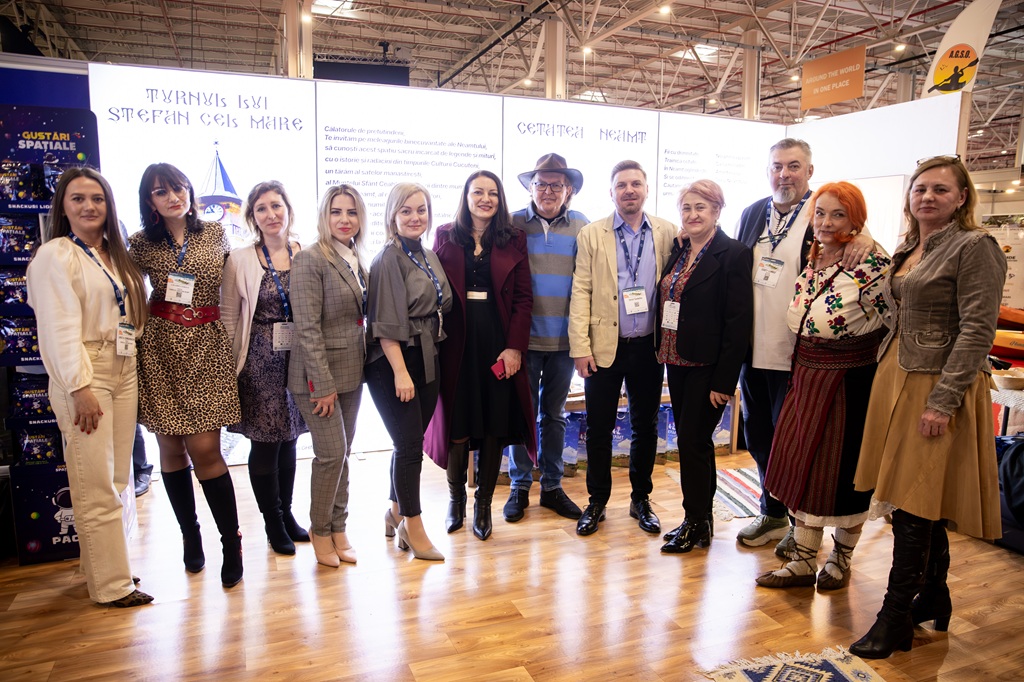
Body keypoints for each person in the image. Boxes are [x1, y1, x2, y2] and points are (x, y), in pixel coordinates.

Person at [850, 156, 1006, 659]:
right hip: (897, 374)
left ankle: (894, 617)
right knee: (915, 495)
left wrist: (943, 401)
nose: (928, 197)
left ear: (961, 198)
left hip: (937, 383)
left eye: (940, 189)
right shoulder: (910, 246)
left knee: (915, 500)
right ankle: (934, 594)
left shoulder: (975, 246)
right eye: (920, 189)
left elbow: (977, 330)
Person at [735, 139, 873, 556]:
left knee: (795, 445)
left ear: (809, 172)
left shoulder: (822, 213)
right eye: (777, 166)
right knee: (759, 438)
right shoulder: (752, 213)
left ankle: (801, 528)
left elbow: (858, 244)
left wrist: (864, 239)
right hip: (752, 351)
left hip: (799, 356)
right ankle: (772, 512)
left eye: (794, 166)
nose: (784, 174)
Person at [754, 182, 890, 588]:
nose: (827, 222)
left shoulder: (871, 262)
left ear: (856, 220)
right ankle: (803, 559)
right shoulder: (815, 255)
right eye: (820, 213)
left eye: (839, 215)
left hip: (848, 383)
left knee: (842, 474)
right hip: (806, 376)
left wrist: (866, 240)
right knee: (802, 469)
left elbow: (894, 322)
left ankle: (841, 558)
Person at [27, 167, 152, 607]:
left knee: (115, 478)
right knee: (94, 482)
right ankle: (112, 586)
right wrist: (78, 387)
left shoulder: (115, 253)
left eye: (97, 198)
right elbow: (58, 328)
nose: (89, 206)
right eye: (78, 198)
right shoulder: (55, 255)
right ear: (63, 206)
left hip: (123, 365)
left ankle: (100, 566)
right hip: (86, 371)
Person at [129, 163, 243, 588]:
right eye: (161, 192)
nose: (173, 197)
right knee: (170, 448)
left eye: (178, 188)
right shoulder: (140, 243)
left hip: (207, 346)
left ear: (190, 191)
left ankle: (231, 543)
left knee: (206, 450)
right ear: (150, 201)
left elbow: (236, 285)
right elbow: (125, 292)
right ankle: (189, 535)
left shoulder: (215, 233)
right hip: (160, 349)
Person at [426, 170, 535, 541]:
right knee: (457, 423)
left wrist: (515, 347)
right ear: (466, 196)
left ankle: (483, 504)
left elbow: (523, 298)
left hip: (497, 340)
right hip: (455, 343)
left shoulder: (513, 237)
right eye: (478, 192)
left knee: (493, 424)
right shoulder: (445, 234)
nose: (485, 199)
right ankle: (456, 499)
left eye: (492, 193)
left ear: (500, 199)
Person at [568, 160, 676, 537]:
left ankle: (640, 499)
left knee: (645, 426)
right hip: (603, 347)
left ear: (646, 189)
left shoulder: (667, 232)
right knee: (599, 427)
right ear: (611, 192)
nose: (629, 190)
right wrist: (580, 347)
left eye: (635, 184)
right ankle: (597, 501)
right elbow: (581, 291)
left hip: (649, 347)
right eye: (621, 185)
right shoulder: (592, 234)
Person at [657, 180, 752, 553]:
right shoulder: (681, 250)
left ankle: (695, 522)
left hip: (707, 367)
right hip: (676, 361)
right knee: (695, 443)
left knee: (692, 442)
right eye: (687, 208)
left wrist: (724, 381)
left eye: (701, 207)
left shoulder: (734, 254)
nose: (693, 214)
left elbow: (738, 323)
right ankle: (701, 521)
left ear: (717, 210)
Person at [366, 183, 452, 561]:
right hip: (394, 361)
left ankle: (395, 512)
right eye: (406, 211)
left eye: (421, 210)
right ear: (392, 215)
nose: (415, 217)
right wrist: (401, 373)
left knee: (409, 441)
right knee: (409, 446)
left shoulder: (427, 254)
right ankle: (412, 527)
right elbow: (385, 324)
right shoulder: (388, 258)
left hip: (426, 354)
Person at [222, 181, 308, 556]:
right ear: (252, 217)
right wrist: (228, 369)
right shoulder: (240, 258)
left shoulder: (306, 252)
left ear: (288, 208)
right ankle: (272, 522)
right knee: (265, 442)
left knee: (290, 437)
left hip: (297, 358)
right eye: (261, 208)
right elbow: (228, 316)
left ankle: (286, 515)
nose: (271, 214)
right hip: (258, 360)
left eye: (276, 205)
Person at [503, 153, 589, 523]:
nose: (548, 191)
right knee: (521, 415)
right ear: (531, 188)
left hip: (564, 343)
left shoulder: (582, 226)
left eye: (557, 185)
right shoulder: (511, 224)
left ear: (569, 190)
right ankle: (520, 485)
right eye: (541, 184)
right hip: (522, 342)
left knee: (554, 416)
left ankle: (552, 486)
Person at [287, 184, 367, 567]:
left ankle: (339, 527)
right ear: (324, 216)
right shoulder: (310, 259)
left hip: (352, 371)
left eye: (351, 212)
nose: (344, 219)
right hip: (317, 379)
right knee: (331, 454)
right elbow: (307, 329)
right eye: (336, 212)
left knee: (343, 454)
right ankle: (319, 530)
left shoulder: (355, 257)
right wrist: (321, 385)